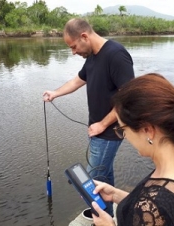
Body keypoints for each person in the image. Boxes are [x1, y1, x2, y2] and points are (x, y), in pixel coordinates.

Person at [91, 73, 174, 226]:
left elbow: (157, 210)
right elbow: (168, 213)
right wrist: (116, 195)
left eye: (123, 129)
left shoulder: (155, 205)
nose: (124, 137)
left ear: (147, 130)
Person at [43, 18, 135, 217]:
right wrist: (55, 93)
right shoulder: (92, 56)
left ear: (84, 36)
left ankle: (101, 220)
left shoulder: (116, 55)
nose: (73, 52)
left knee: (91, 183)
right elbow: (78, 80)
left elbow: (129, 98)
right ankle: (109, 216)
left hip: (109, 132)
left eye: (74, 46)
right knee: (104, 177)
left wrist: (102, 124)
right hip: (97, 130)